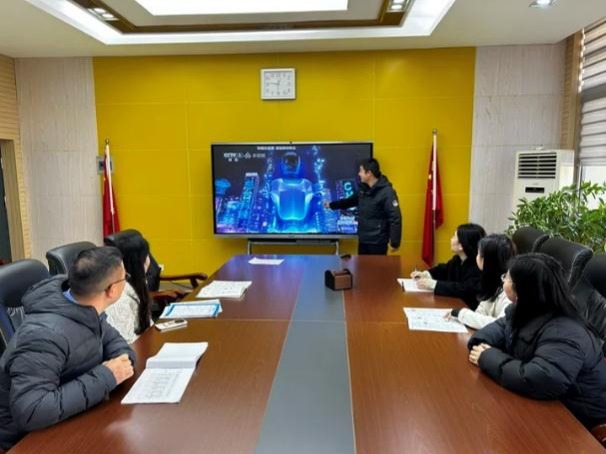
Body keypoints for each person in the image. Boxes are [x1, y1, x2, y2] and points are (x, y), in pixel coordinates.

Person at [0, 247, 136, 451]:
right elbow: (31, 411)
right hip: (25, 440)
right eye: (125, 277)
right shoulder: (43, 336)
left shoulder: (84, 307)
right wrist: (106, 376)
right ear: (112, 290)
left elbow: (114, 342)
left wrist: (122, 361)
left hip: (69, 415)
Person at [468, 253, 606, 429]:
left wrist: (487, 356)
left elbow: (540, 380)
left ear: (522, 289)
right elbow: (491, 333)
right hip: (550, 403)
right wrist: (480, 346)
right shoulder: (524, 310)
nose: (503, 281)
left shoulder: (565, 332)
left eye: (507, 278)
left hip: (582, 421)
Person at [324, 158, 402, 255]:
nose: (359, 174)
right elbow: (349, 202)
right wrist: (331, 205)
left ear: (369, 173)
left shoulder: (387, 192)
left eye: (361, 171)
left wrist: (395, 243)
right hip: (363, 240)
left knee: (376, 266)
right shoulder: (363, 190)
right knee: (362, 265)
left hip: (378, 243)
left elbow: (395, 217)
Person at [448, 234, 515, 329]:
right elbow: (481, 312)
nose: (476, 256)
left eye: (478, 253)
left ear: (486, 260)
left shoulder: (509, 290)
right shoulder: (492, 281)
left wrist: (462, 314)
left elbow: (500, 324)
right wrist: (466, 317)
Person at [411, 223, 486, 309]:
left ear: (461, 246)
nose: (451, 239)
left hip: (467, 309)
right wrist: (426, 274)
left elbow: (463, 289)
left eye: (454, 236)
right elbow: (444, 269)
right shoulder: (458, 259)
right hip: (453, 304)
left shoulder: (477, 266)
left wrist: (434, 284)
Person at [105, 232, 153, 344]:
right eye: (147, 255)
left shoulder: (136, 284)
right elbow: (126, 345)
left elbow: (147, 326)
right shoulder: (118, 300)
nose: (149, 260)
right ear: (139, 263)